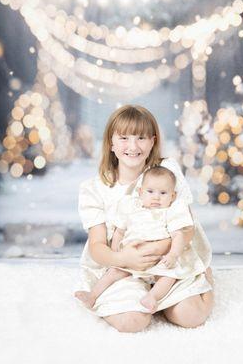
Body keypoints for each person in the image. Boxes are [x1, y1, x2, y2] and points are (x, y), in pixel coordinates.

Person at [76, 104, 214, 332]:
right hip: (123, 264)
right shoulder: (94, 188)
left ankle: (185, 289)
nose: (133, 146)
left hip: (170, 258)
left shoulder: (166, 171)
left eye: (141, 138)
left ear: (152, 142)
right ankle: (139, 298)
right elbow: (97, 247)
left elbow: (186, 227)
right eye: (124, 138)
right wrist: (125, 259)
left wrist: (162, 248)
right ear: (111, 143)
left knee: (191, 316)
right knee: (132, 322)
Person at [75, 166, 206, 313]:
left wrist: (172, 255)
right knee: (112, 273)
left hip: (159, 260)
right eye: (150, 192)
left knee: (169, 276)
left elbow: (179, 236)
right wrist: (117, 254)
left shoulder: (170, 212)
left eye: (163, 193)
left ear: (173, 196)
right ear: (140, 192)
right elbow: (119, 231)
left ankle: (152, 297)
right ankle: (92, 296)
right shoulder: (131, 208)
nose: (156, 197)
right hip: (131, 259)